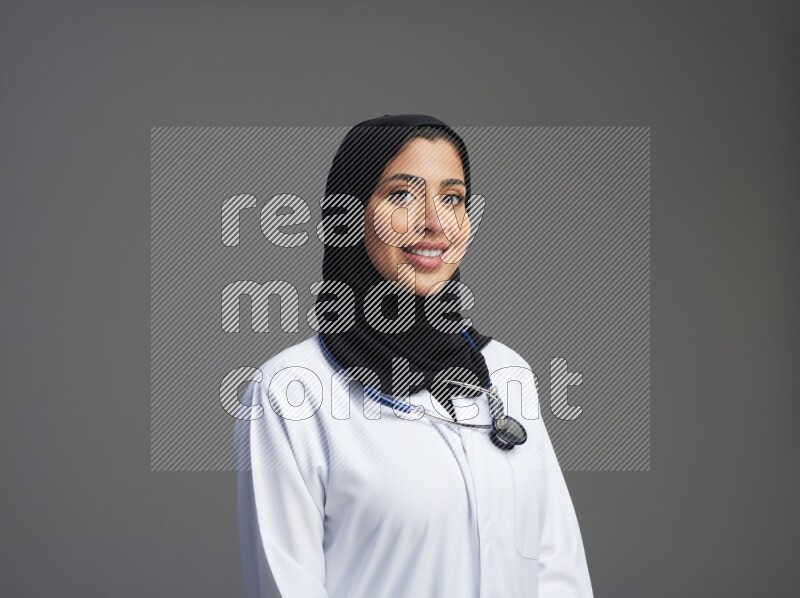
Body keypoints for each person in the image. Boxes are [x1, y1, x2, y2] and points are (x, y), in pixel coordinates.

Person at [235, 114, 593, 597]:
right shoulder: (290, 392)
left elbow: (559, 571)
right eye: (401, 194)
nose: (433, 222)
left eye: (452, 198)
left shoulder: (506, 373)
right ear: (349, 215)